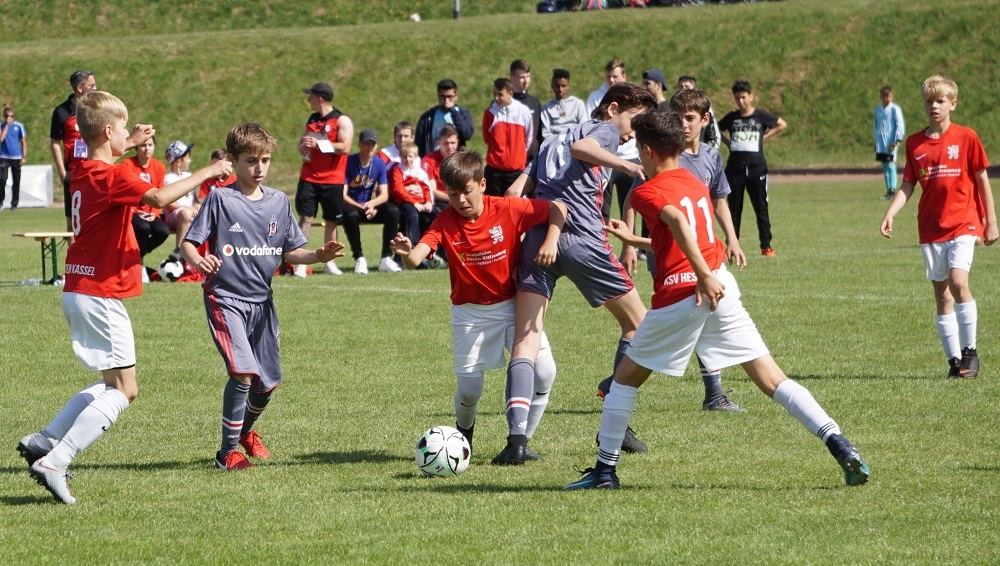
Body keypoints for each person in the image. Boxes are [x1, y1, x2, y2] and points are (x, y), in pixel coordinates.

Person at [565, 110, 870, 491]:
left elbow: (676, 221)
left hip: (685, 291)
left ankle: (605, 472)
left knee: (624, 379)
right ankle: (839, 442)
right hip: (719, 288)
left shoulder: (645, 190)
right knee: (772, 378)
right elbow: (686, 234)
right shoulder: (694, 181)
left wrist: (701, 275)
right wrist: (637, 242)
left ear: (646, 150)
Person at [17, 90, 233, 503]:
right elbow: (156, 197)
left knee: (110, 382)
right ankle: (56, 460)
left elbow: (100, 152)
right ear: (109, 131)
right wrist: (210, 170)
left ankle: (45, 440)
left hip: (77, 289)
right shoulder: (114, 176)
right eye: (124, 131)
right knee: (124, 390)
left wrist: (128, 141)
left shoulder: (81, 168)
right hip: (99, 292)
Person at [503, 83, 657, 459]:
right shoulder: (602, 131)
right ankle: (615, 411)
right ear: (613, 108)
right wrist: (626, 165)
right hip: (583, 239)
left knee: (527, 340)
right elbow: (582, 149)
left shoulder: (549, 141)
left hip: (537, 241)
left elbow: (513, 194)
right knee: (641, 327)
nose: (634, 131)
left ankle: (516, 442)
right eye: (635, 120)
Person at [181, 122, 344, 471]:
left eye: (265, 160)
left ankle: (244, 432)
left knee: (267, 383)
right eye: (251, 160)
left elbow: (292, 251)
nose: (259, 168)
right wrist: (198, 259)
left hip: (262, 302)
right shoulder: (220, 198)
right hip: (226, 298)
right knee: (243, 372)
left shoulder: (277, 202)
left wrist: (317, 256)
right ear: (234, 161)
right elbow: (188, 243)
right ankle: (226, 453)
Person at [390, 151, 566, 461]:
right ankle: (462, 437)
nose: (460, 200)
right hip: (470, 315)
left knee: (545, 373)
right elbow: (417, 258)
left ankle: (521, 442)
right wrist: (406, 252)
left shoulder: (508, 208)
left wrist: (551, 239)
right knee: (470, 390)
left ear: (483, 184)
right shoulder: (445, 221)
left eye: (466, 191)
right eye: (453, 194)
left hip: (515, 306)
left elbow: (558, 208)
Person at [608, 88, 748, 412]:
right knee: (674, 325)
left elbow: (717, 202)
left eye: (690, 118)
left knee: (695, 323)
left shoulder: (710, 157)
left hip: (704, 261)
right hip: (675, 261)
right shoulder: (664, 154)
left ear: (705, 120)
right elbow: (645, 203)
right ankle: (619, 382)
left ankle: (710, 392)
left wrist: (733, 238)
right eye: (680, 118)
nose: (685, 125)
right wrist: (629, 242)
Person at [880, 74, 997, 380]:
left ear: (953, 104)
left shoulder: (967, 137)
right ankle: (954, 360)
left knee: (959, 282)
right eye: (929, 101)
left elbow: (982, 180)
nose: (934, 106)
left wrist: (990, 222)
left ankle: (971, 352)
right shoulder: (915, 143)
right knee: (942, 296)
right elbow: (908, 184)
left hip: (963, 222)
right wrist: (891, 212)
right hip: (931, 228)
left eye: (940, 101)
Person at [717, 80, 787, 257]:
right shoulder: (732, 118)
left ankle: (766, 246)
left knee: (761, 207)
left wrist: (765, 136)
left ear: (751, 96)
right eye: (737, 98)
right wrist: (728, 143)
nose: (741, 101)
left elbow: (781, 124)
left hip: (757, 168)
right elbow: (715, 130)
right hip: (735, 168)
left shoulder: (760, 116)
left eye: (743, 97)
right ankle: (732, 245)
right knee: (734, 209)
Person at [294, 82, 353, 277]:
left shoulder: (341, 120)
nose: (308, 100)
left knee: (331, 221)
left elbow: (345, 147)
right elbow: (303, 142)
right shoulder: (312, 118)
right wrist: (302, 147)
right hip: (309, 177)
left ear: (319, 98)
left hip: (332, 179)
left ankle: (329, 262)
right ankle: (301, 262)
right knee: (306, 218)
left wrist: (319, 144)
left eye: (310, 96)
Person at [342, 129, 402, 274]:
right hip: (351, 205)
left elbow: (384, 194)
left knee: (393, 211)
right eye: (365, 144)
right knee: (349, 215)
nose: (368, 147)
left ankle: (386, 258)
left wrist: (372, 205)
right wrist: (360, 207)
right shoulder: (348, 162)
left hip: (369, 206)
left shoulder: (379, 163)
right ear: (359, 145)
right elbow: (342, 194)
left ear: (376, 146)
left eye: (372, 144)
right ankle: (359, 258)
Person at [50, 70, 97, 231]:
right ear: (79, 88)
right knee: (72, 223)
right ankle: (73, 256)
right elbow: (54, 143)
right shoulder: (61, 112)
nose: (95, 88)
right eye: (91, 85)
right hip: (73, 172)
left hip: (94, 170)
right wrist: (63, 173)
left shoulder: (96, 108)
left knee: (94, 218)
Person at [121, 137, 170, 275]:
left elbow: (160, 191)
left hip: (150, 211)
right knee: (143, 228)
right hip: (132, 210)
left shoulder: (159, 166)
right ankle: (139, 265)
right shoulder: (128, 164)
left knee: (163, 231)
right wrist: (136, 211)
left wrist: (153, 213)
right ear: (136, 147)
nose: (147, 148)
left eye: (150, 145)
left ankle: (138, 256)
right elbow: (126, 191)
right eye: (143, 145)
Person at [482, 77, 534, 197]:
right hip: (495, 170)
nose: (496, 98)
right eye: (494, 94)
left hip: (516, 170)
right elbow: (487, 138)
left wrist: (517, 155)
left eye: (500, 94)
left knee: (515, 208)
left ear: (510, 94)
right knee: (494, 208)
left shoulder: (523, 111)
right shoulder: (490, 112)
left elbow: (529, 137)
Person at [391, 141, 437, 262]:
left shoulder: (419, 172)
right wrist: (414, 203)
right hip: (406, 203)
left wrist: (428, 202)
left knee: (436, 215)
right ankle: (414, 247)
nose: (407, 159)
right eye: (404, 157)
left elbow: (427, 188)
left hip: (422, 202)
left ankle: (435, 247)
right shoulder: (398, 171)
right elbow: (399, 189)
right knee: (412, 215)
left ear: (415, 157)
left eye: (410, 156)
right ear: (400, 157)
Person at [415, 79, 475, 157]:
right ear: (438, 96)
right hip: (433, 160)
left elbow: (466, 134)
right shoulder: (427, 117)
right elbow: (419, 143)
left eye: (450, 97)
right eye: (442, 97)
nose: (446, 100)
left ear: (456, 96)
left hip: (455, 160)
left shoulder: (463, 114)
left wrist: (453, 111)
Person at [162, 140, 200, 254]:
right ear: (179, 161)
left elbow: (195, 199)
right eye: (187, 157)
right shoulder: (168, 179)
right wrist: (188, 209)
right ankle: (179, 251)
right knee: (186, 214)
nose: (190, 160)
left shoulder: (188, 176)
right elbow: (168, 203)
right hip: (174, 215)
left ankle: (202, 250)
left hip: (190, 212)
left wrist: (197, 207)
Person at [874, 85, 906, 200]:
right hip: (881, 143)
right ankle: (888, 191)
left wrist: (898, 139)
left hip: (891, 142)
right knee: (885, 167)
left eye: (889, 97)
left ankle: (893, 190)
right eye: (885, 97)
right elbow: (876, 125)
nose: (887, 99)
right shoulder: (878, 110)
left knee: (891, 165)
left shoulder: (894, 109)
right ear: (881, 97)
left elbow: (900, 125)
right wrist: (876, 140)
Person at [540, 69, 587, 143]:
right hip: (554, 145)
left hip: (574, 143)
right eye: (557, 86)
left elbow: (584, 127)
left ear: (568, 86)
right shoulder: (546, 108)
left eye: (563, 86)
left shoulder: (578, 104)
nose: (560, 89)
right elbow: (545, 134)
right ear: (552, 86)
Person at [421, 125, 461, 211]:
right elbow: (432, 191)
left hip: (459, 198)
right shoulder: (428, 161)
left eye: (453, 143)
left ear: (457, 142)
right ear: (439, 143)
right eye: (446, 143)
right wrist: (452, 199)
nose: (450, 147)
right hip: (439, 200)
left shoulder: (462, 160)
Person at [510, 59, 542, 161]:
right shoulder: (505, 103)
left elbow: (539, 132)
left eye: (528, 76)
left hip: (532, 160)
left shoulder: (534, 102)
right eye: (522, 77)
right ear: (512, 78)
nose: (526, 81)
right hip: (512, 160)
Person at [677, 75, 721, 149]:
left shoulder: (703, 108)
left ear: (695, 89)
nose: (683, 90)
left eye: (687, 87)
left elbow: (714, 137)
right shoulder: (674, 108)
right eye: (681, 87)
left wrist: (705, 154)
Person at [0, 106, 27, 211]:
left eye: (11, 116)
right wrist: (6, 126)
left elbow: (23, 142)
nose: (9, 118)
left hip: (16, 157)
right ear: (4, 116)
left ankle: (14, 203)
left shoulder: (19, 126)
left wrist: (23, 156)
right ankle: (1, 201)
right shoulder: (1, 126)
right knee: (2, 180)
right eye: (7, 116)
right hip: (3, 157)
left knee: (16, 181)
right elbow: (1, 139)